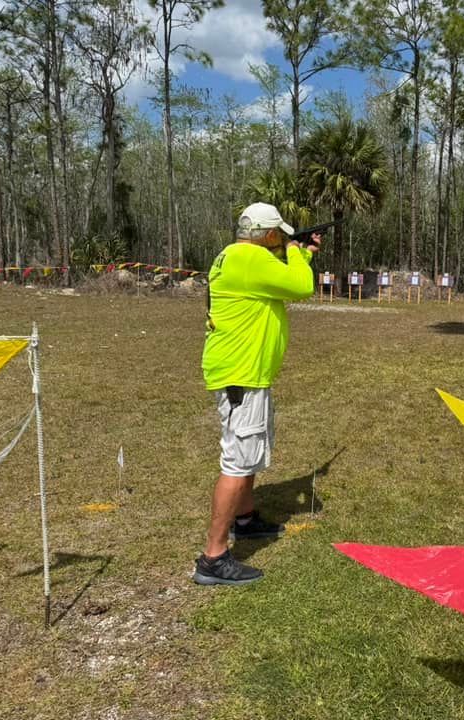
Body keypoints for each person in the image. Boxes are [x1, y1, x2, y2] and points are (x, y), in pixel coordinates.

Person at [193, 202, 319, 586]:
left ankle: (245, 520)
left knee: (248, 453)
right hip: (241, 375)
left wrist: (300, 253)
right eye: (277, 235)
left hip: (244, 373)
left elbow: (283, 284)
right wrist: (298, 252)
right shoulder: (249, 258)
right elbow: (302, 286)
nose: (281, 240)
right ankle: (213, 556)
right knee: (237, 459)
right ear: (266, 235)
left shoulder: (237, 256)